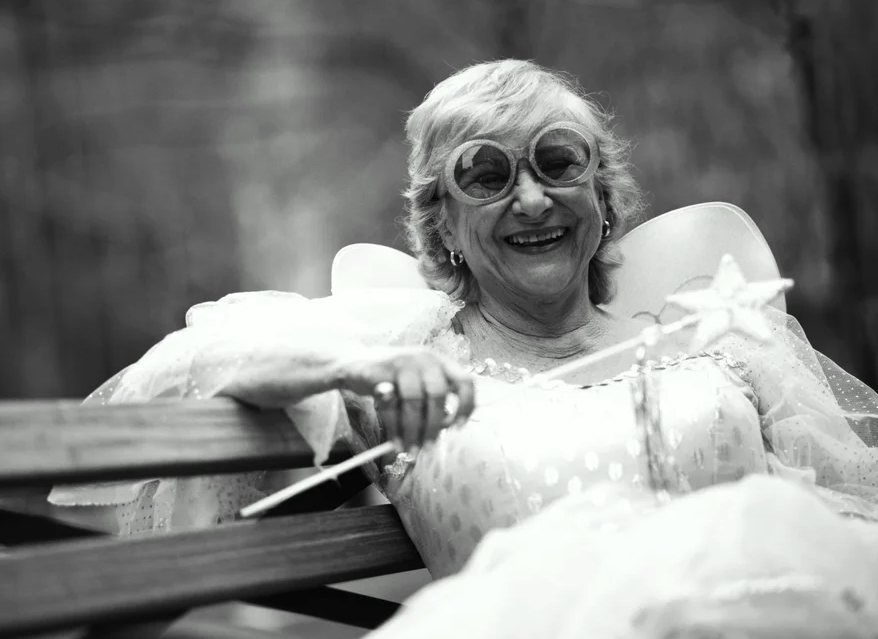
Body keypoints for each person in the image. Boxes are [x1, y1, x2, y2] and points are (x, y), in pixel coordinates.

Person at [48, 60, 878, 634]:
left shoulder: (716, 338)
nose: (532, 197)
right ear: (441, 222)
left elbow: (846, 502)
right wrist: (354, 368)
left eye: (559, 162)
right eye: (487, 175)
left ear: (600, 194)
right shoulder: (408, 357)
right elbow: (207, 364)